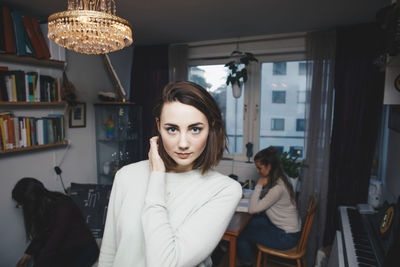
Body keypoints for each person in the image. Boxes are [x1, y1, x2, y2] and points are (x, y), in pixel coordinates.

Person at [98, 81, 242, 267]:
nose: (183, 143)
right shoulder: (126, 176)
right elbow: (110, 252)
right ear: (159, 126)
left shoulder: (224, 190)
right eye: (172, 129)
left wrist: (157, 175)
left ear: (211, 127)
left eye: (195, 129)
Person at [12, 177, 99, 267]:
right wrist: (28, 254)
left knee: (45, 257)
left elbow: (53, 242)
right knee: (40, 255)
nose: (21, 208)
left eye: (21, 205)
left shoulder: (63, 207)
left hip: (84, 250)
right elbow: (42, 233)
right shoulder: (44, 204)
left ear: (31, 201)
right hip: (66, 248)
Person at [237, 146, 301, 266]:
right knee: (248, 224)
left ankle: (247, 263)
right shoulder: (281, 178)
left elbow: (252, 209)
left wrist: (259, 185)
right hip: (286, 229)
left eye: (259, 168)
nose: (257, 171)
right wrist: (247, 196)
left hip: (286, 236)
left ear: (269, 167)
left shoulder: (277, 188)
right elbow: (267, 198)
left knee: (242, 234)